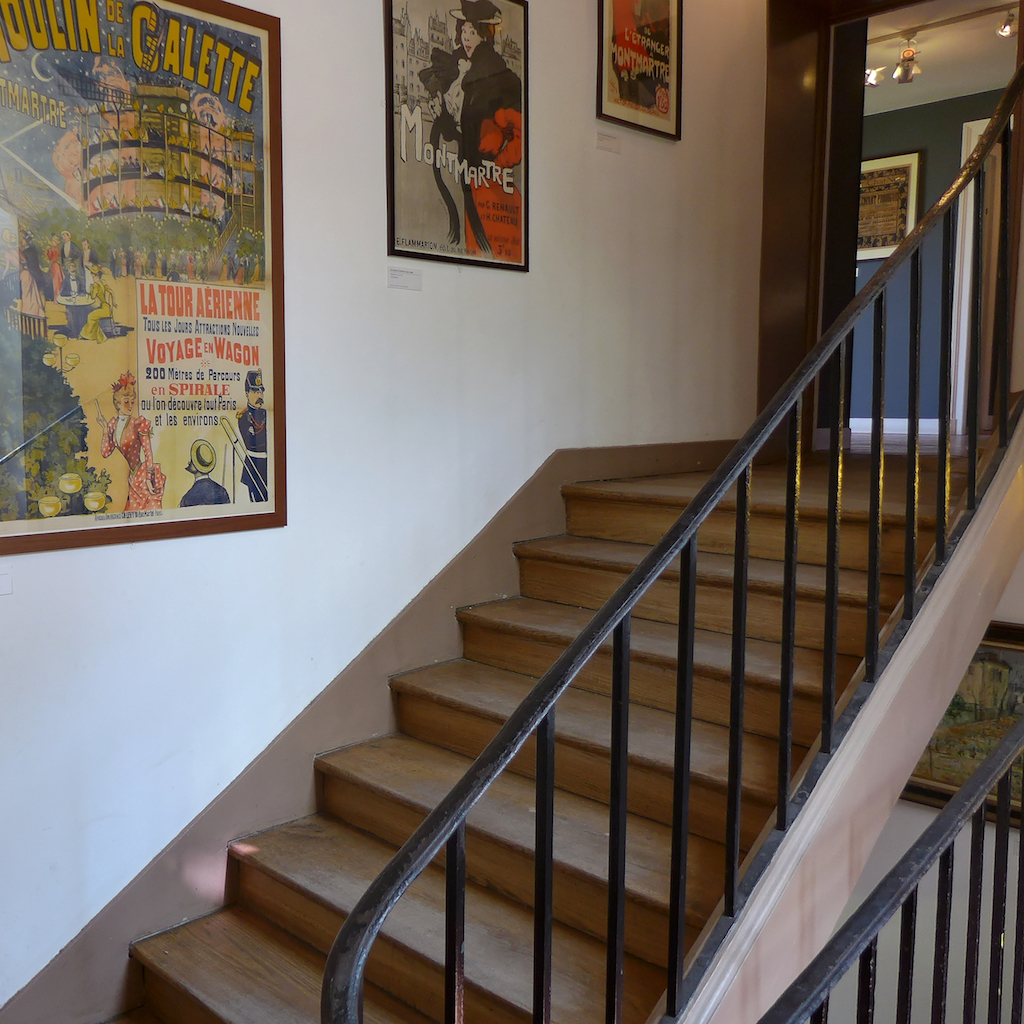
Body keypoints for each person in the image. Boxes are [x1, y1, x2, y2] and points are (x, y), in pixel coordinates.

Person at [428, 0, 523, 261]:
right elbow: (456, 131)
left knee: (486, 253)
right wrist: (442, 117)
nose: (466, 38)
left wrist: (495, 164)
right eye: (463, 31)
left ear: (485, 35)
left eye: (473, 32)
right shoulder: (459, 68)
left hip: (490, 186)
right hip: (464, 175)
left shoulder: (501, 79)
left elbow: (517, 141)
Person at [97, 372, 165, 511]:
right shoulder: (112, 425)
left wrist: (148, 478)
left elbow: (148, 452)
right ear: (117, 403)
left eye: (132, 402)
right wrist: (105, 430)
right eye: (126, 401)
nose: (130, 406)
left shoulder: (138, 424)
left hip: (141, 476)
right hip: (129, 479)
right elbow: (105, 452)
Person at [236, 369, 268, 502]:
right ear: (247, 393)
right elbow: (254, 443)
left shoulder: (266, 414)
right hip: (254, 467)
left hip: (267, 465)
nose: (259, 395)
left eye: (260, 391)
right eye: (255, 392)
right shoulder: (244, 417)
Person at [179, 439, 230, 507]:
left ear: (196, 466)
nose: (189, 463)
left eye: (192, 460)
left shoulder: (188, 498)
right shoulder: (222, 491)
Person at [80, 264, 116, 343]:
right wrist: (114, 303)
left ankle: (90, 335)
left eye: (93, 277)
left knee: (90, 316)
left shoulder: (95, 286)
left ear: (97, 276)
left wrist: (90, 289)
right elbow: (111, 292)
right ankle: (93, 334)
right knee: (93, 315)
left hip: (104, 309)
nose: (92, 279)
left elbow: (92, 297)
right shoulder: (102, 283)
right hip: (107, 308)